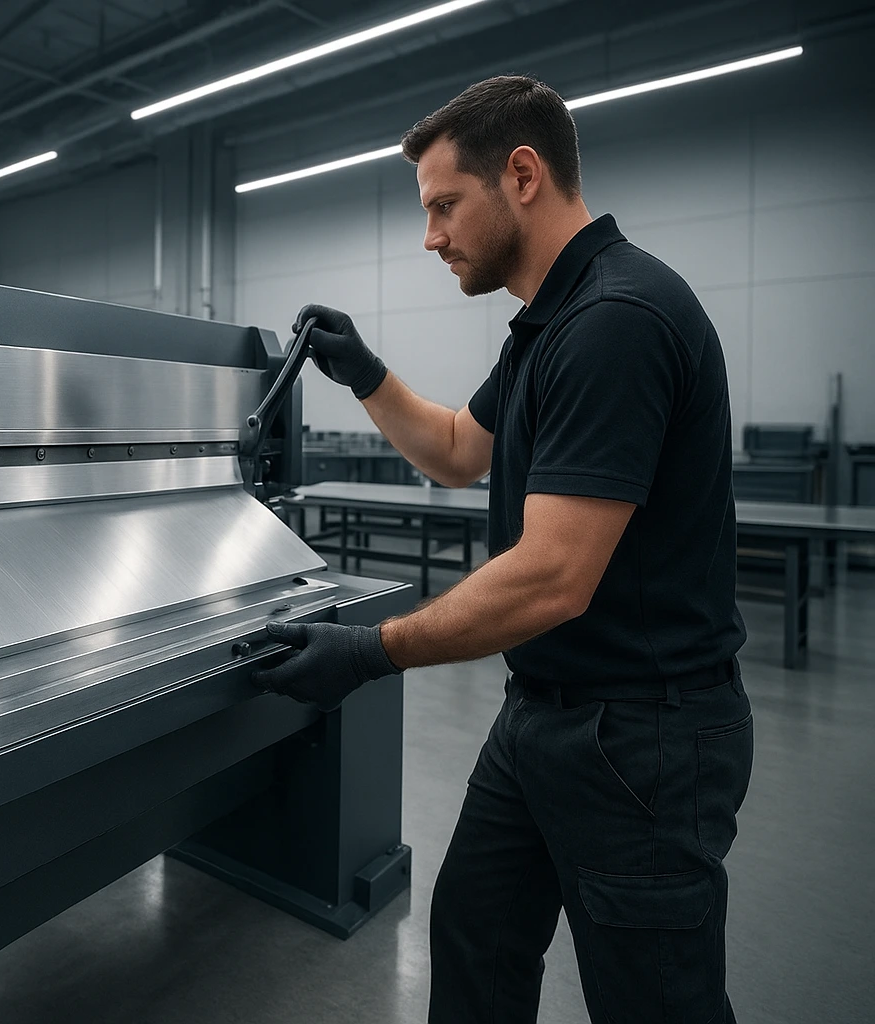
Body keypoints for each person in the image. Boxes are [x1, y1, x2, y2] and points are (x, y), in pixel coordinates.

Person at [250, 75, 754, 1023]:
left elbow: (555, 577)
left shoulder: (616, 321)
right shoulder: (545, 327)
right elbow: (453, 448)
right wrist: (364, 372)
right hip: (546, 717)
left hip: (642, 739)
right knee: (477, 939)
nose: (431, 236)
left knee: (656, 1003)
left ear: (521, 175)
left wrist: (368, 651)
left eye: (444, 205)